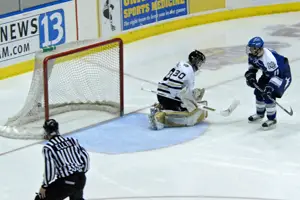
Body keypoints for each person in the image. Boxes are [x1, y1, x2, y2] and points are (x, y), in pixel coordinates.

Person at [148, 50, 208, 130]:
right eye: (199, 62)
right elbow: (185, 93)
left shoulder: (180, 64)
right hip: (170, 98)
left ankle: (157, 107)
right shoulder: (190, 73)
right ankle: (160, 116)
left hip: (160, 94)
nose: (199, 65)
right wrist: (194, 98)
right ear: (195, 61)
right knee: (185, 113)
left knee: (175, 103)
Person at [35, 119, 90, 200]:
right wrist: (81, 173)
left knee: (40, 198)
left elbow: (50, 172)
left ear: (46, 132)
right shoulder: (72, 141)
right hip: (81, 179)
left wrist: (44, 186)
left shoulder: (49, 148)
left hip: (67, 182)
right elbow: (86, 157)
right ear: (57, 129)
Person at [244, 36, 292, 129]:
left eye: (252, 48)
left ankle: (272, 118)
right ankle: (260, 114)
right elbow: (253, 66)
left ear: (258, 49)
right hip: (269, 74)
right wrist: (251, 76)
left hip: (282, 76)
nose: (250, 50)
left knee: (268, 94)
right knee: (258, 91)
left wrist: (270, 88)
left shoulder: (269, 59)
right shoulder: (253, 55)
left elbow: (277, 76)